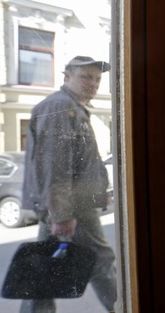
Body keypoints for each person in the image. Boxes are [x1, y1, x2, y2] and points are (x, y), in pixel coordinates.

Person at [21, 56, 117, 313]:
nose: (93, 83)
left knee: (44, 266)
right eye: (85, 77)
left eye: (97, 79)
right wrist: (61, 214)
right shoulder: (62, 108)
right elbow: (55, 167)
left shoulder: (70, 107)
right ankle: (125, 306)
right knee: (101, 261)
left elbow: (78, 164)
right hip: (74, 207)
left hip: (71, 205)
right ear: (67, 77)